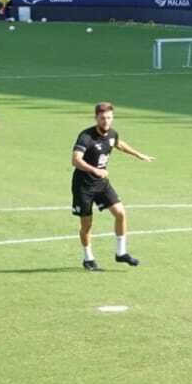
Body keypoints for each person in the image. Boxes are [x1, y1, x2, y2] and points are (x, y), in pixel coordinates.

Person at [71, 102, 154, 270]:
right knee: (87, 224)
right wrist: (95, 170)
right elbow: (75, 160)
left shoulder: (112, 134)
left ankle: (121, 253)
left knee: (120, 213)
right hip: (83, 185)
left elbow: (118, 143)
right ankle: (88, 258)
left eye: (109, 118)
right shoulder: (86, 136)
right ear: (96, 118)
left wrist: (138, 154)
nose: (106, 121)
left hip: (101, 184)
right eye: (102, 118)